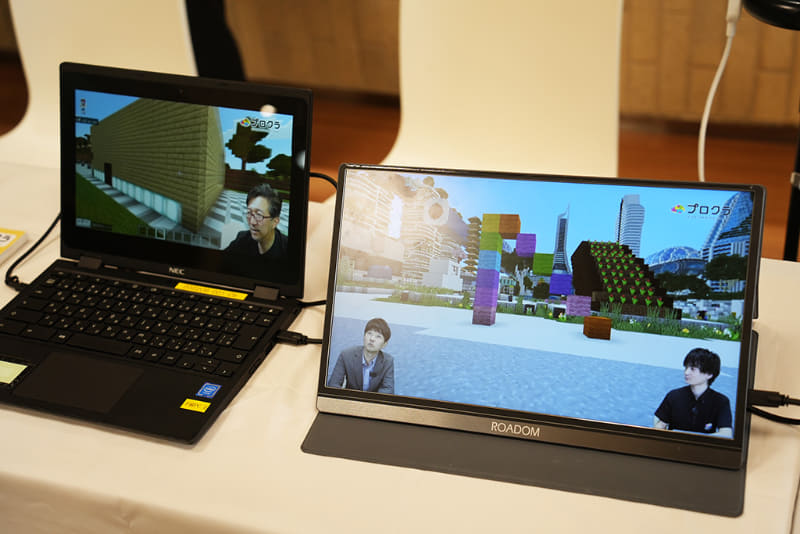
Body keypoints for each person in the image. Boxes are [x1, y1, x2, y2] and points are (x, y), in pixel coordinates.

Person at [653, 348, 732, 437]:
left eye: (692, 369)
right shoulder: (674, 396)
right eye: (686, 367)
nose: (686, 372)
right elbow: (660, 425)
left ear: (709, 374)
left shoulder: (721, 401)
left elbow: (726, 433)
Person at [327, 318, 395, 394]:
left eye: (378, 336)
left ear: (384, 344)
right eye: (369, 333)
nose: (372, 339)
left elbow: (388, 390)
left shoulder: (388, 361)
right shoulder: (346, 355)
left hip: (372, 401)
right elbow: (333, 385)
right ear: (364, 336)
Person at [225, 183, 287, 260]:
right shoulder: (242, 240)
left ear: (275, 222)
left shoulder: (286, 250)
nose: (252, 222)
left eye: (259, 215)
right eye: (249, 212)